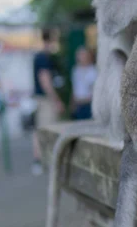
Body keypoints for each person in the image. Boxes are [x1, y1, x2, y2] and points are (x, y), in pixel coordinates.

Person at [32, 29, 65, 175]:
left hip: (42, 99)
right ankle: (41, 161)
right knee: (46, 129)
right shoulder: (43, 58)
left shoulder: (41, 56)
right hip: (46, 100)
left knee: (41, 129)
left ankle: (41, 161)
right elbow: (45, 81)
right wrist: (56, 100)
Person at [70, 47, 97, 121]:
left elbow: (95, 91)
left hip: (88, 105)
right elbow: (74, 88)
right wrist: (72, 104)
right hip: (78, 105)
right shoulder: (75, 70)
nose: (80, 58)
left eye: (83, 55)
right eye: (79, 55)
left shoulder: (93, 71)